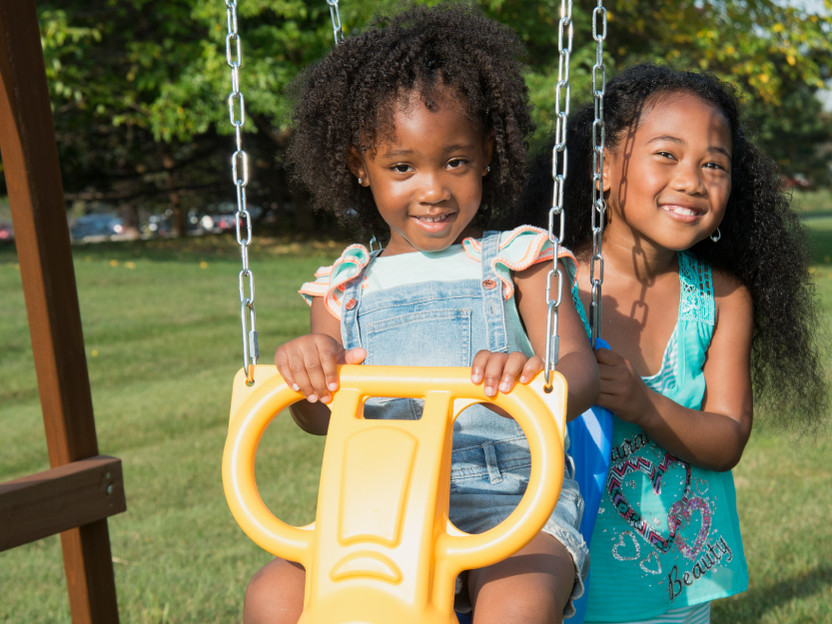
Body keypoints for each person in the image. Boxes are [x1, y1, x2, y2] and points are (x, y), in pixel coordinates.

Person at [242, 4, 600, 624]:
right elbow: (316, 419)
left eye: (454, 162)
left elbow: (582, 371)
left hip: (512, 498)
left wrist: (531, 378)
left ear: (487, 154)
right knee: (271, 599)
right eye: (402, 167)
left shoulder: (521, 260)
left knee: (514, 607)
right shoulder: (343, 284)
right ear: (360, 165)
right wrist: (307, 372)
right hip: (377, 507)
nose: (433, 189)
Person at [518, 63, 828, 623]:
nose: (691, 179)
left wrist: (646, 404)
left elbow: (727, 437)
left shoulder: (722, 299)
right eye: (666, 154)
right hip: (545, 583)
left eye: (714, 164)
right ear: (604, 168)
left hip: (671, 592)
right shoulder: (540, 284)